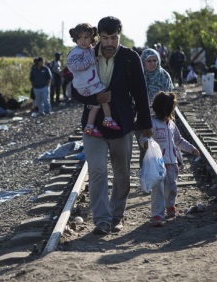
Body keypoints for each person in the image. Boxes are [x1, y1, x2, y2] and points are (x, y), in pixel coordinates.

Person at [71, 16, 153, 235]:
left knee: (122, 173)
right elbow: (73, 91)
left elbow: (140, 92)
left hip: (122, 124)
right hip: (94, 125)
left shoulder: (130, 57)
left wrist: (145, 124)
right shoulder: (85, 54)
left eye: (114, 38)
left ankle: (117, 216)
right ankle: (102, 220)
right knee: (97, 170)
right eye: (105, 38)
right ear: (99, 36)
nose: (109, 43)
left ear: (120, 35)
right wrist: (94, 100)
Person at [139, 92, 200, 226]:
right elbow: (144, 137)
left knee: (172, 186)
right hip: (157, 163)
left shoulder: (171, 124)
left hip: (172, 161)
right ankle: (157, 214)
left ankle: (170, 204)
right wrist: (144, 143)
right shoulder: (152, 123)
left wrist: (191, 149)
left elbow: (178, 140)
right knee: (158, 189)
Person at [67, 23, 121, 137]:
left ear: (91, 38)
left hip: (89, 82)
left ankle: (89, 126)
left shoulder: (89, 49)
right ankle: (108, 119)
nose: (83, 41)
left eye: (86, 37)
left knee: (95, 106)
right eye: (79, 38)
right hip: (85, 84)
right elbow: (75, 66)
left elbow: (94, 48)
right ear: (75, 39)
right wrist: (91, 61)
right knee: (104, 98)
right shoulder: (75, 52)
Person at [137, 48, 174, 167]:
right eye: (149, 61)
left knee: (162, 148)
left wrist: (169, 117)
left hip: (161, 118)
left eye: (155, 60)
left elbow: (170, 99)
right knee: (145, 149)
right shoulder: (138, 76)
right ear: (143, 62)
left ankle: (162, 178)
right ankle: (146, 178)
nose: (153, 63)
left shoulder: (164, 76)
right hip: (142, 118)